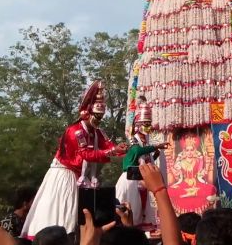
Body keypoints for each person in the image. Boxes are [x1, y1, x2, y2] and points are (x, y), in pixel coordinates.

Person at [21, 81, 128, 238]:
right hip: (64, 176)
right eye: (96, 116)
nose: (99, 119)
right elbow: (86, 154)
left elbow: (108, 146)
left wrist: (123, 149)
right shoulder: (75, 131)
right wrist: (113, 150)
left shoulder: (96, 131)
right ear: (87, 113)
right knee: (63, 215)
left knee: (80, 215)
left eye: (101, 116)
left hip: (79, 177)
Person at [115, 98, 169, 227]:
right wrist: (156, 146)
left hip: (140, 180)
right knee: (130, 210)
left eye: (149, 123)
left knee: (141, 211)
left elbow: (143, 160)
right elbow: (136, 151)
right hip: (130, 179)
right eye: (145, 123)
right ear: (138, 125)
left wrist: (154, 155)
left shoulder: (145, 142)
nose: (148, 126)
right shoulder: (133, 139)